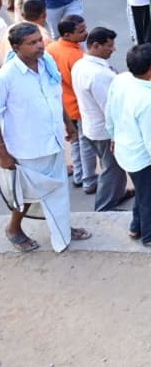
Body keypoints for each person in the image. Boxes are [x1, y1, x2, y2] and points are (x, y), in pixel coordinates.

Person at [0, 22, 90, 253]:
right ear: (17, 47)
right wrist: (3, 154)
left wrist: (68, 124)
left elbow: (54, 95)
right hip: (26, 146)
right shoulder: (7, 76)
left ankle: (62, 230)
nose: (39, 46)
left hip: (52, 140)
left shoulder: (47, 63)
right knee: (27, 194)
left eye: (39, 40)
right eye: (32, 43)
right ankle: (14, 229)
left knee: (58, 189)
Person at [105, 43, 151, 248]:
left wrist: (112, 136)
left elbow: (109, 111)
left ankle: (136, 226)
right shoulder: (149, 100)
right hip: (143, 158)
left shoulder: (120, 81)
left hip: (125, 150)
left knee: (142, 192)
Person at [72, 26, 130, 210]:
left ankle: (117, 194)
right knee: (112, 169)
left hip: (91, 126)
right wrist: (116, 136)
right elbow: (110, 109)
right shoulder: (100, 75)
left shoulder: (81, 65)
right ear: (96, 46)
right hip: (104, 131)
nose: (113, 49)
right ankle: (104, 206)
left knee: (114, 168)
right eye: (109, 46)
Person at [45, 15, 88, 191]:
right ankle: (86, 178)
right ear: (68, 35)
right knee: (85, 145)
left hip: (63, 105)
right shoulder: (76, 56)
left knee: (75, 142)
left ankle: (79, 174)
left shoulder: (52, 48)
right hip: (77, 106)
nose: (86, 33)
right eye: (81, 31)